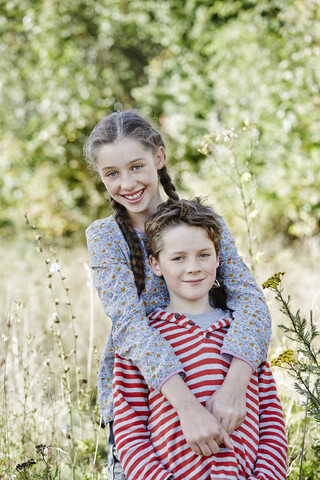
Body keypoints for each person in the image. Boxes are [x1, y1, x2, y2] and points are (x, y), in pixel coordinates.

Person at [84, 110, 272, 477]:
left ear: (159, 157)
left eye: (137, 166)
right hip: (147, 397)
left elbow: (250, 301)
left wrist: (236, 386)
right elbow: (130, 326)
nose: (127, 183)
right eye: (112, 174)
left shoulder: (203, 222)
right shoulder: (105, 237)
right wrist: (186, 406)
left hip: (219, 383)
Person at [112, 198, 287, 480]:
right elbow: (130, 431)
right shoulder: (143, 341)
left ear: (219, 258)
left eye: (203, 255)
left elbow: (271, 423)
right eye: (178, 258)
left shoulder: (243, 335)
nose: (193, 267)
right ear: (155, 264)